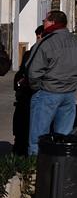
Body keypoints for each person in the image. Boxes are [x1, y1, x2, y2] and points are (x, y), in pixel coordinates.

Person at [26, 10, 77, 156]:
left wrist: (38, 87)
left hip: (47, 92)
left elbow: (33, 71)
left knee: (38, 138)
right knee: (63, 137)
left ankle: (34, 171)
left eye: (45, 20)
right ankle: (60, 168)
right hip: (68, 94)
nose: (43, 22)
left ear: (52, 22)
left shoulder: (46, 42)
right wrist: (75, 81)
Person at [13, 26, 45, 156]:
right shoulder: (29, 53)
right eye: (37, 37)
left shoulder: (46, 54)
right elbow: (20, 74)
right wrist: (20, 81)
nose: (38, 40)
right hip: (25, 96)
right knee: (22, 126)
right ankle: (21, 151)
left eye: (40, 37)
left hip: (38, 95)